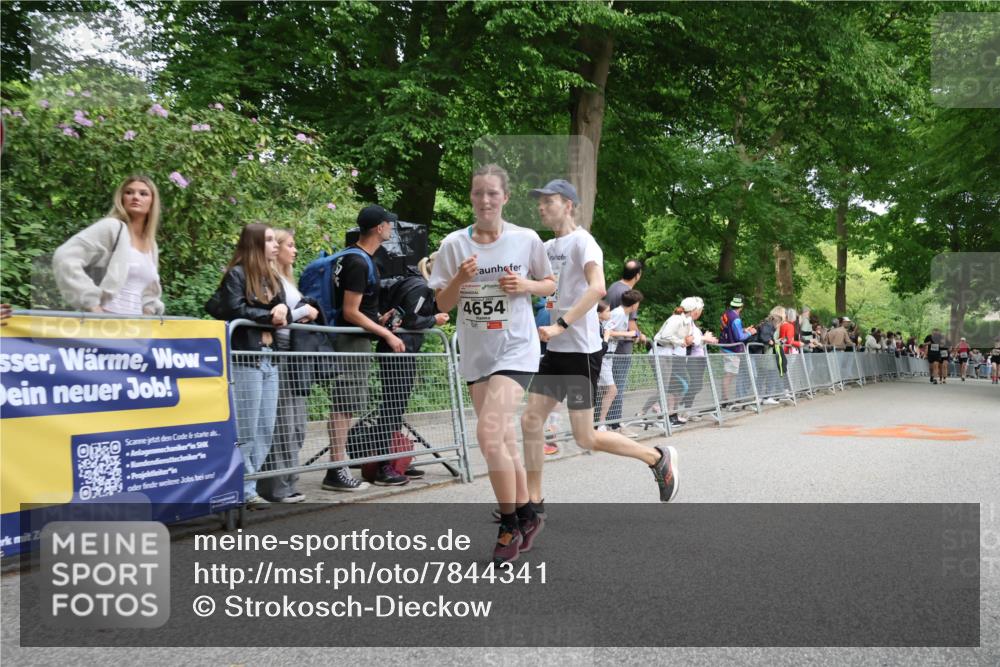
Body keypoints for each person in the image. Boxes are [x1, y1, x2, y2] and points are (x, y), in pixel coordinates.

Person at [520, 177, 678, 549]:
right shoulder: (545, 246)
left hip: (580, 350)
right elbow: (540, 284)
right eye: (539, 202)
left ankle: (656, 457)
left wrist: (560, 324)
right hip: (557, 352)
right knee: (530, 420)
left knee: (584, 436)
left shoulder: (583, 241)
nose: (542, 207)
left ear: (569, 205)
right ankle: (535, 505)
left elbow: (596, 287)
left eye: (549, 201)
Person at [428, 164, 556, 565]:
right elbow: (440, 305)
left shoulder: (526, 239)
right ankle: (526, 515)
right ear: (471, 197)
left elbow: (550, 284)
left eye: (492, 194)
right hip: (476, 351)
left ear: (505, 197)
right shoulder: (452, 245)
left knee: (488, 434)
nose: (485, 200)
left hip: (516, 347)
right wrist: (458, 282)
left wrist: (527, 287)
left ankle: (507, 525)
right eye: (478, 193)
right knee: (503, 443)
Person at [322, 205, 406, 491]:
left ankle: (338, 465)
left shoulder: (349, 257)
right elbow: (350, 311)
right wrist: (387, 334)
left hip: (353, 337)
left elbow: (358, 310)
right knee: (345, 404)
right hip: (351, 341)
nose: (391, 230)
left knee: (346, 403)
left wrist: (377, 319)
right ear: (380, 228)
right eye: (389, 225)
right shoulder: (359, 262)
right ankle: (337, 468)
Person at [206, 224, 287, 507]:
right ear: (254, 244)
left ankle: (248, 485)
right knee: (246, 429)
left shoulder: (271, 277)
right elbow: (233, 308)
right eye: (268, 240)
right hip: (247, 358)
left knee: (265, 428)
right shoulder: (237, 274)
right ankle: (243, 488)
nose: (274, 244)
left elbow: (281, 309)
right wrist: (269, 316)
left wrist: (283, 309)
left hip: (270, 359)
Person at [255, 229, 319, 504]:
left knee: (296, 424)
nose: (294, 251)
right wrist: (305, 312)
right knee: (283, 422)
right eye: (290, 245)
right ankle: (276, 487)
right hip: (280, 352)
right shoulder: (269, 279)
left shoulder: (288, 280)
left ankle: (289, 480)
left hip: (296, 353)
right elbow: (277, 316)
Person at [53, 175, 164, 315]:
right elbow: (64, 257)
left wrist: (149, 311)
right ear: (121, 198)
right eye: (129, 192)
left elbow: (149, 291)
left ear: (152, 202)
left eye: (143, 194)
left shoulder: (151, 244)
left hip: (135, 330)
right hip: (105, 326)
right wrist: (92, 304)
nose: (135, 197)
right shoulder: (112, 227)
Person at [604, 259, 647, 430]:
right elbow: (631, 324)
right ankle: (615, 424)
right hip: (622, 346)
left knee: (607, 386)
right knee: (618, 385)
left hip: (608, 346)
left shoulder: (613, 287)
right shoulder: (630, 293)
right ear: (638, 275)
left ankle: (602, 422)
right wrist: (640, 335)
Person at [653, 303, 693, 425]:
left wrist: (684, 341)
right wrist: (682, 341)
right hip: (662, 353)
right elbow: (664, 336)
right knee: (668, 387)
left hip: (668, 354)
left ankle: (669, 415)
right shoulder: (676, 319)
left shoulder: (685, 321)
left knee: (670, 386)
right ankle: (651, 413)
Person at [718, 295, 756, 408]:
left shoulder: (726, 314)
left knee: (728, 374)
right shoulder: (736, 319)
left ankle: (724, 399)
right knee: (729, 374)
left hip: (724, 346)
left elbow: (728, 328)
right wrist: (750, 332)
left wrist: (744, 329)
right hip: (731, 349)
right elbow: (739, 337)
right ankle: (725, 400)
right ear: (741, 306)